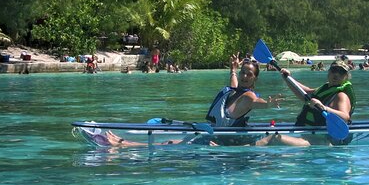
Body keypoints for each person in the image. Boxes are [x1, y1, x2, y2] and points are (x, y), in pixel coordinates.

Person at [97, 53, 283, 146]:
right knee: (175, 142)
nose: (244, 76)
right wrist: (233, 69)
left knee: (171, 145)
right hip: (209, 134)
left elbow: (256, 103)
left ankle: (121, 144)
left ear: (254, 79)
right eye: (243, 73)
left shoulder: (249, 97)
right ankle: (123, 143)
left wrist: (268, 104)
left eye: (248, 74)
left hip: (217, 142)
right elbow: (233, 82)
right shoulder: (235, 90)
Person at [256, 60, 355, 147]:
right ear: (328, 72)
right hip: (310, 135)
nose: (336, 74)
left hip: (322, 140)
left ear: (346, 76)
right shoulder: (326, 88)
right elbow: (305, 93)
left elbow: (345, 117)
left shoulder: (341, 95)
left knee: (275, 138)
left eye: (341, 72)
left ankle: (244, 150)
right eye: (334, 70)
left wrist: (323, 107)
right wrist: (287, 78)